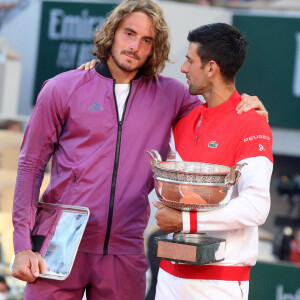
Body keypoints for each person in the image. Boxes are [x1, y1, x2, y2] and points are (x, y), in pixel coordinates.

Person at [11, 0, 267, 299]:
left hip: (125, 251)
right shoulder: (62, 88)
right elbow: (31, 167)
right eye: (128, 34)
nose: (135, 46)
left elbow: (218, 112)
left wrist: (250, 110)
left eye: (146, 40)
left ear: (154, 48)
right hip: (58, 244)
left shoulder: (171, 96)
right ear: (112, 32)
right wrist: (22, 245)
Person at [152, 23, 273, 300]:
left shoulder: (252, 124)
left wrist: (186, 222)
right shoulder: (183, 120)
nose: (183, 68)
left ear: (211, 69)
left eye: (190, 60)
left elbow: (256, 207)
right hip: (169, 278)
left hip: (219, 284)